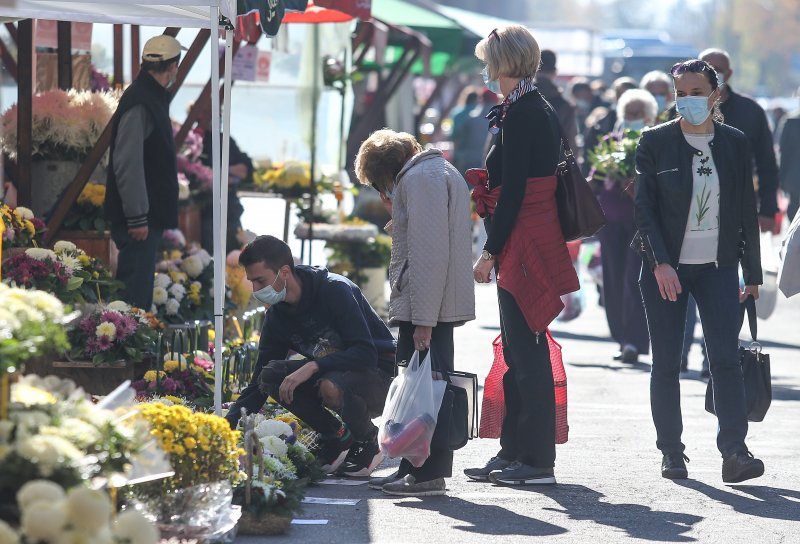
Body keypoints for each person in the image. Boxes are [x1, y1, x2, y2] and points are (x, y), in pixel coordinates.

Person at [634, 59, 764, 483]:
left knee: (725, 360)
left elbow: (746, 208)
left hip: (718, 268)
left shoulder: (734, 143)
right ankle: (671, 451)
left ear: (715, 93)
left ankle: (735, 452)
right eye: (680, 93)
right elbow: (645, 210)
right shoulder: (654, 141)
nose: (687, 100)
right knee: (666, 362)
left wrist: (754, 274)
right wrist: (661, 263)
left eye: (696, 92)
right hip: (666, 271)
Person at [466, 26, 580, 486]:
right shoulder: (527, 107)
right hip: (525, 233)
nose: (485, 69)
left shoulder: (525, 111)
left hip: (523, 238)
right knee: (518, 348)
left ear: (502, 62)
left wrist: (489, 252)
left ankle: (536, 461)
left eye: (488, 60)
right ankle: (515, 452)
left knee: (527, 351)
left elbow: (513, 190)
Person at [354, 129, 475, 497]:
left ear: (386, 170)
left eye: (378, 182)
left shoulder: (419, 180)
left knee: (428, 392)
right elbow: (425, 234)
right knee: (420, 390)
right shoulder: (436, 172)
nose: (381, 191)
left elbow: (427, 252)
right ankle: (413, 466)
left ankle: (427, 474)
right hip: (434, 299)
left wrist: (423, 320)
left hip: (427, 303)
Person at [225, 235, 396, 477]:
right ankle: (338, 438)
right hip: (336, 374)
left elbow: (366, 353)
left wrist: (313, 366)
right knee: (271, 376)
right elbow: (257, 385)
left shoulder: (335, 290)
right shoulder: (277, 316)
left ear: (284, 271)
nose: (255, 290)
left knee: (329, 384)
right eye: (251, 282)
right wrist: (223, 428)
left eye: (260, 280)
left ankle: (369, 440)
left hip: (381, 378)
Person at [105, 35, 184, 310]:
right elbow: (127, 161)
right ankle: (126, 350)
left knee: (136, 294)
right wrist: (137, 217)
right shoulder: (142, 100)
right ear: (173, 66)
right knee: (132, 299)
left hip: (144, 216)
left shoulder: (148, 96)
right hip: (139, 220)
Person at [594, 89, 655, 364]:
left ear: (649, 116)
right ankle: (621, 338)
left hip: (641, 224)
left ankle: (635, 340)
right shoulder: (611, 143)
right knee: (614, 281)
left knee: (635, 279)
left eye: (638, 114)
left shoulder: (655, 143)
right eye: (629, 114)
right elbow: (594, 179)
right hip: (610, 222)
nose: (632, 119)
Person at [699, 48, 779, 233]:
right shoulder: (682, 111)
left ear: (729, 73)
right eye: (706, 68)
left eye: (717, 68)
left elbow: (766, 162)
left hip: (737, 207)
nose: (712, 73)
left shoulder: (751, 111)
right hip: (690, 206)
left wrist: (768, 208)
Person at [199, 126, 253, 252]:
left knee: (235, 253)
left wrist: (222, 171)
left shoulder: (226, 140)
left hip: (231, 210)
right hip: (206, 212)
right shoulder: (195, 140)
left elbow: (245, 170)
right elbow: (200, 173)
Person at [584, 77, 638, 170]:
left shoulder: (646, 122)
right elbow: (589, 154)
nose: (624, 99)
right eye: (620, 94)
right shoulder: (601, 123)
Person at [536, 49, 578, 153]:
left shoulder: (517, 99)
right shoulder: (565, 106)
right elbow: (570, 142)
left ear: (534, 70)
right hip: (554, 165)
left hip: (519, 164)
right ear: (555, 72)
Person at [778, 99, 800, 221]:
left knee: (794, 205)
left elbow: (784, 151)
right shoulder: (790, 121)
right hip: (794, 174)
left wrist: (782, 176)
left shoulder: (790, 121)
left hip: (794, 175)